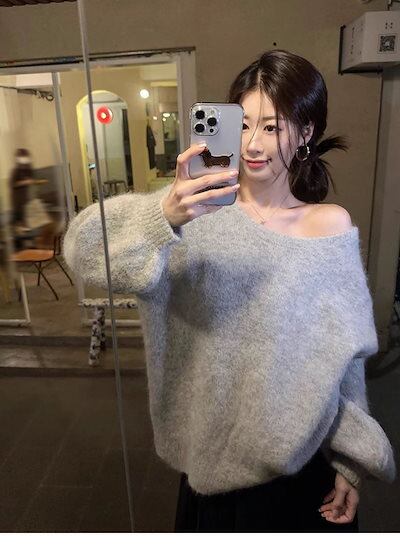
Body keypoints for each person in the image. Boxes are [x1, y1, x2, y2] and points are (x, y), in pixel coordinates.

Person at [62, 49, 396, 532]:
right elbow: (84, 251)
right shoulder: (190, 215)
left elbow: (344, 357)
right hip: (213, 465)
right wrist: (163, 216)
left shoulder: (329, 226)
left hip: (303, 465)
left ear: (306, 132)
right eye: (242, 124)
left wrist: (350, 460)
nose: (253, 144)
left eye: (272, 127)